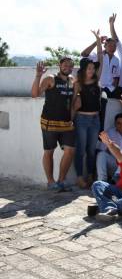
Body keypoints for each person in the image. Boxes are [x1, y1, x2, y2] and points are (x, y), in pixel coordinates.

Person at [31, 58, 76, 191]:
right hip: (49, 123)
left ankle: (61, 180)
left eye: (70, 65)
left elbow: (73, 103)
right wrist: (38, 75)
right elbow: (35, 94)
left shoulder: (72, 81)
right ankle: (50, 182)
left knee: (70, 150)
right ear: (59, 66)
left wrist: (72, 118)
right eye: (65, 65)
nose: (67, 67)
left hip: (66, 124)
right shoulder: (51, 78)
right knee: (49, 152)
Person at [72, 30, 104, 189]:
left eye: (93, 68)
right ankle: (79, 177)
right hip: (82, 119)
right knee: (81, 150)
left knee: (92, 150)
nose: (92, 70)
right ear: (84, 69)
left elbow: (101, 57)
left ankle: (90, 175)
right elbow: (72, 102)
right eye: (89, 68)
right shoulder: (78, 83)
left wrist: (98, 40)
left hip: (95, 119)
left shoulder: (97, 80)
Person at [80, 35, 120, 127]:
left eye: (114, 46)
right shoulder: (98, 55)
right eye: (110, 45)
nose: (112, 48)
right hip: (99, 86)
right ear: (104, 46)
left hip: (110, 88)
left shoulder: (116, 60)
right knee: (103, 99)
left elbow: (116, 77)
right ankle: (100, 129)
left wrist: (114, 87)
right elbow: (84, 54)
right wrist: (96, 41)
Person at [96, 113, 122, 182]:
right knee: (101, 154)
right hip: (114, 164)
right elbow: (101, 149)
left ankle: (116, 178)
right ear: (115, 124)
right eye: (118, 123)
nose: (121, 125)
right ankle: (102, 182)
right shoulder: (110, 132)